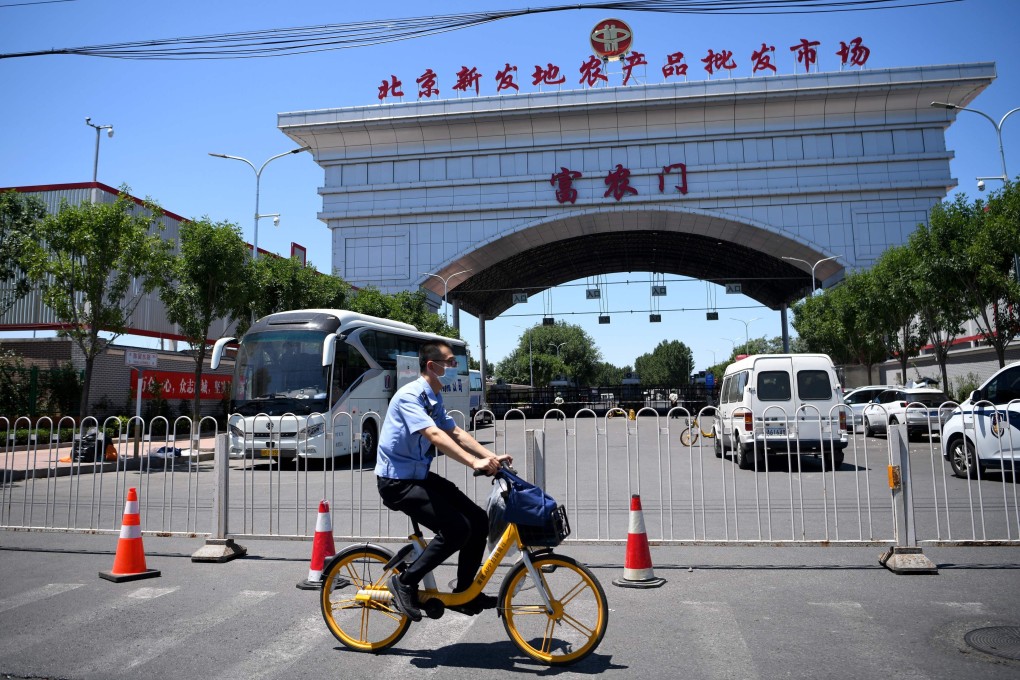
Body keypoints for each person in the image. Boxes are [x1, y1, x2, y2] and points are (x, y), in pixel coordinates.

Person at [376, 340, 511, 621]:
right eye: (450, 362)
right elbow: (435, 435)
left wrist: (491, 458)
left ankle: (464, 593)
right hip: (396, 482)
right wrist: (474, 462)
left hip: (417, 477)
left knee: (478, 520)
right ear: (431, 366)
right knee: (456, 529)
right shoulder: (409, 396)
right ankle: (405, 582)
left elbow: (455, 432)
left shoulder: (433, 397)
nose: (454, 367)